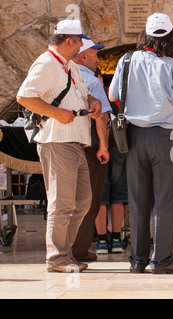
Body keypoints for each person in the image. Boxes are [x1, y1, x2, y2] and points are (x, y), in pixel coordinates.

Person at [108, 13, 173, 273]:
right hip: (166, 137)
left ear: (145, 36)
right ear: (169, 38)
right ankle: (161, 260)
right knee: (165, 200)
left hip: (134, 137)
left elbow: (113, 96)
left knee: (137, 200)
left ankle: (137, 260)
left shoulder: (126, 61)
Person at [16, 19, 102, 273]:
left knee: (83, 201)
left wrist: (93, 100)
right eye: (79, 42)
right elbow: (24, 96)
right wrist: (55, 113)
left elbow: (81, 93)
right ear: (69, 41)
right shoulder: (45, 63)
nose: (80, 47)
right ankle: (57, 258)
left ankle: (67, 252)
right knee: (62, 202)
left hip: (75, 141)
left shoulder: (70, 66)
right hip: (56, 140)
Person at [72, 39, 111, 262]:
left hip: (67, 145)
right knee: (90, 198)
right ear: (82, 56)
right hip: (90, 146)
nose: (98, 59)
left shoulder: (64, 77)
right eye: (94, 54)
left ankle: (64, 247)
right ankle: (79, 249)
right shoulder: (92, 81)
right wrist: (104, 146)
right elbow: (102, 115)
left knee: (69, 198)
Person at [94, 68, 128, 255]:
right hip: (118, 146)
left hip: (99, 148)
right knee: (117, 195)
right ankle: (116, 238)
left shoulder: (88, 95)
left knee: (101, 194)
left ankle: (101, 240)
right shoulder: (114, 96)